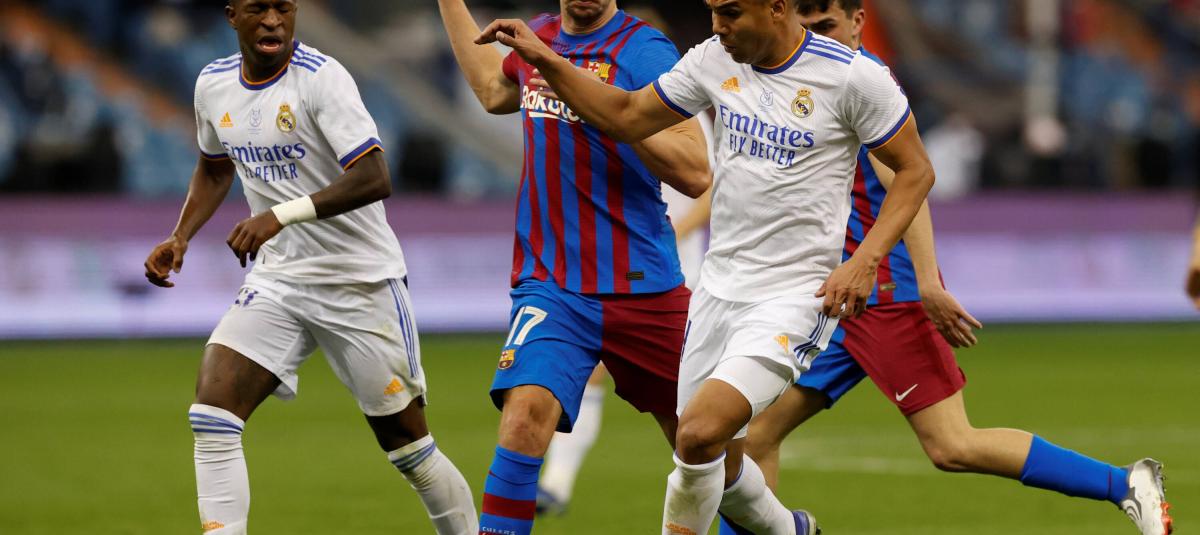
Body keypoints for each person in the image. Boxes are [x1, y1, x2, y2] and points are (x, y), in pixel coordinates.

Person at [477, 0, 941, 531]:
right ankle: (788, 529)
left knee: (698, 433)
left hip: (794, 296)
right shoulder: (713, 59)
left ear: (776, 8)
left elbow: (916, 170)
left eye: (731, 13)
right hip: (716, 293)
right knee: (712, 456)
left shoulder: (854, 77)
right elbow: (627, 116)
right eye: (713, 11)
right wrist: (546, 58)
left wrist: (865, 259)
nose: (718, 25)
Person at [715, 2, 1173, 535]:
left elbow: (909, 186)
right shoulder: (810, 82)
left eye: (828, 26)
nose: (818, 38)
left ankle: (1125, 483)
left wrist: (928, 283)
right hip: (837, 298)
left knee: (952, 444)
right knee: (753, 434)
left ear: (859, 22)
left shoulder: (862, 85)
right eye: (808, 28)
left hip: (884, 295)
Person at [142, 1, 477, 533]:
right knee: (212, 413)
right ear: (232, 15)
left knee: (409, 448)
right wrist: (180, 235)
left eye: (284, 7)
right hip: (280, 279)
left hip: (358, 281)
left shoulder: (323, 79)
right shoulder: (213, 84)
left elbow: (374, 176)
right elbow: (213, 168)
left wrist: (279, 215)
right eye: (259, 8)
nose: (273, 19)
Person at [437, 0, 711, 533]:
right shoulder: (537, 38)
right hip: (553, 285)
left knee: (701, 441)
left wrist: (590, 97)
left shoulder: (645, 51)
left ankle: (776, 524)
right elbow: (493, 90)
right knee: (523, 420)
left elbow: (696, 172)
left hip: (644, 286)